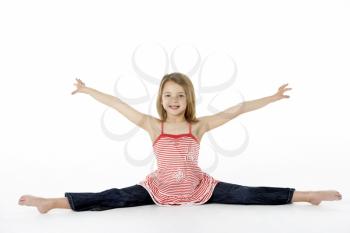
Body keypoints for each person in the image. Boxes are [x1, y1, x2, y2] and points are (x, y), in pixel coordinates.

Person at [18, 73, 342, 214]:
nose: (174, 100)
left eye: (180, 95)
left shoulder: (197, 127)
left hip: (200, 187)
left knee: (247, 194)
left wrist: (271, 98)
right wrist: (89, 91)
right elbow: (117, 103)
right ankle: (52, 202)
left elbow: (237, 110)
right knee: (111, 198)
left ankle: (306, 195)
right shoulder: (152, 125)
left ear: (189, 99)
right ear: (161, 97)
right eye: (168, 95)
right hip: (158, 190)